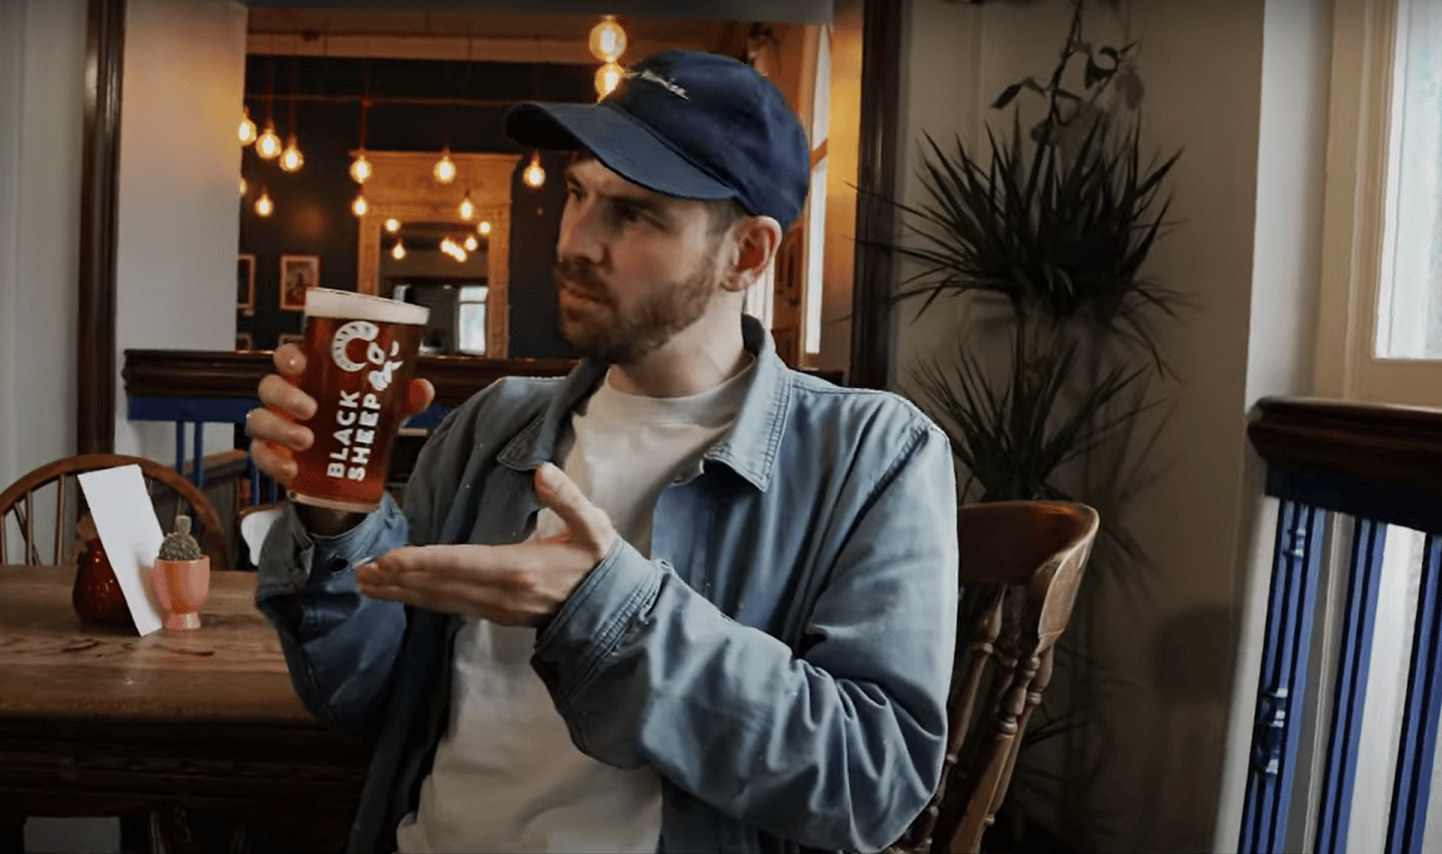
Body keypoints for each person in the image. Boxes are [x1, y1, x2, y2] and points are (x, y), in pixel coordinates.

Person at [247, 49, 959, 854]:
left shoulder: (872, 453)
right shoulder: (494, 427)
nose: (579, 240)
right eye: (578, 193)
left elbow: (874, 783)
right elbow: (358, 702)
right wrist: (337, 524)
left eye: (635, 213)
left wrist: (602, 611)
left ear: (748, 255)